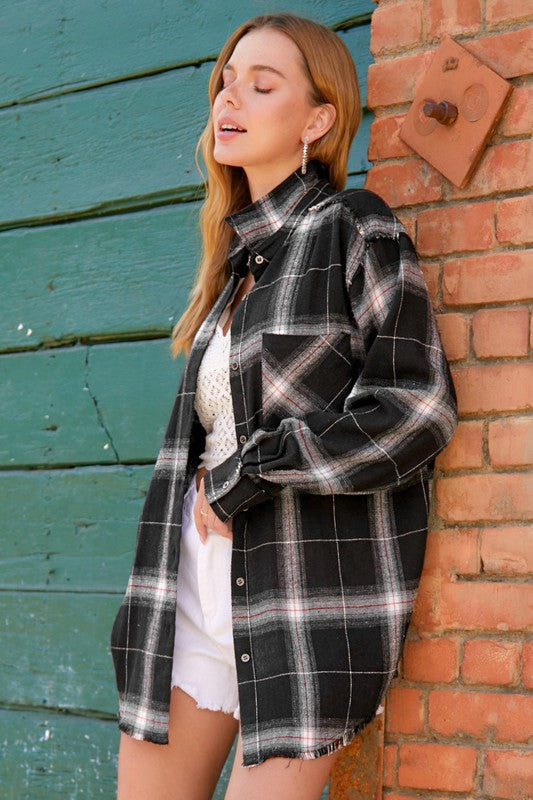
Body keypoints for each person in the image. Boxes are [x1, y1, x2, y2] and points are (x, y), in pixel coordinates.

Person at [110, 12, 458, 800]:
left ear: (318, 118)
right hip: (190, 592)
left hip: (303, 599)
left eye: (262, 84)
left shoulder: (354, 228)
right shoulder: (233, 268)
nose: (231, 97)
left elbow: (415, 408)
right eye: (226, 81)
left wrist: (252, 474)